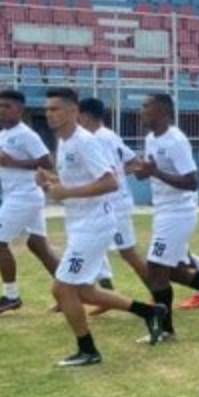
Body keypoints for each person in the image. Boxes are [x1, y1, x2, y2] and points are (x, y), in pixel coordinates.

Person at [34, 88, 167, 367]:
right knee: (82, 291)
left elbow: (109, 182)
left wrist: (66, 193)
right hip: (81, 224)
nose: (50, 114)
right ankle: (150, 311)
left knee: (63, 289)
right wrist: (51, 181)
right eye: (47, 109)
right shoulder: (65, 142)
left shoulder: (85, 142)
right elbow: (76, 179)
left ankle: (88, 350)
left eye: (56, 109)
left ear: (73, 112)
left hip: (94, 226)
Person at [129, 93, 199, 341]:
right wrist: (143, 172)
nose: (142, 111)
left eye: (147, 107)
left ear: (163, 111)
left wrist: (155, 171)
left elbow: (191, 181)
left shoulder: (175, 141)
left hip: (178, 212)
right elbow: (151, 171)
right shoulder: (150, 138)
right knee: (175, 271)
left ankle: (165, 331)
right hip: (163, 211)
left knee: (156, 268)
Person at [0, 89, 59, 316]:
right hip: (18, 195)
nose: (1, 110)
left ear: (20, 110)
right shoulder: (2, 135)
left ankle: (11, 296)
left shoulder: (26, 134)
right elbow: (6, 168)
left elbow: (47, 162)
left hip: (24, 197)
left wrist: (14, 162)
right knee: (38, 246)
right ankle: (70, 291)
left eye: (7, 106)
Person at [76, 97, 150, 294]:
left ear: (84, 116)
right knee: (88, 244)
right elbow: (134, 161)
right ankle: (96, 290)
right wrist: (119, 173)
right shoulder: (109, 135)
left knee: (128, 253)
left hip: (114, 204)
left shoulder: (98, 139)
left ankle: (158, 292)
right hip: (109, 203)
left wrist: (115, 176)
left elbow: (124, 166)